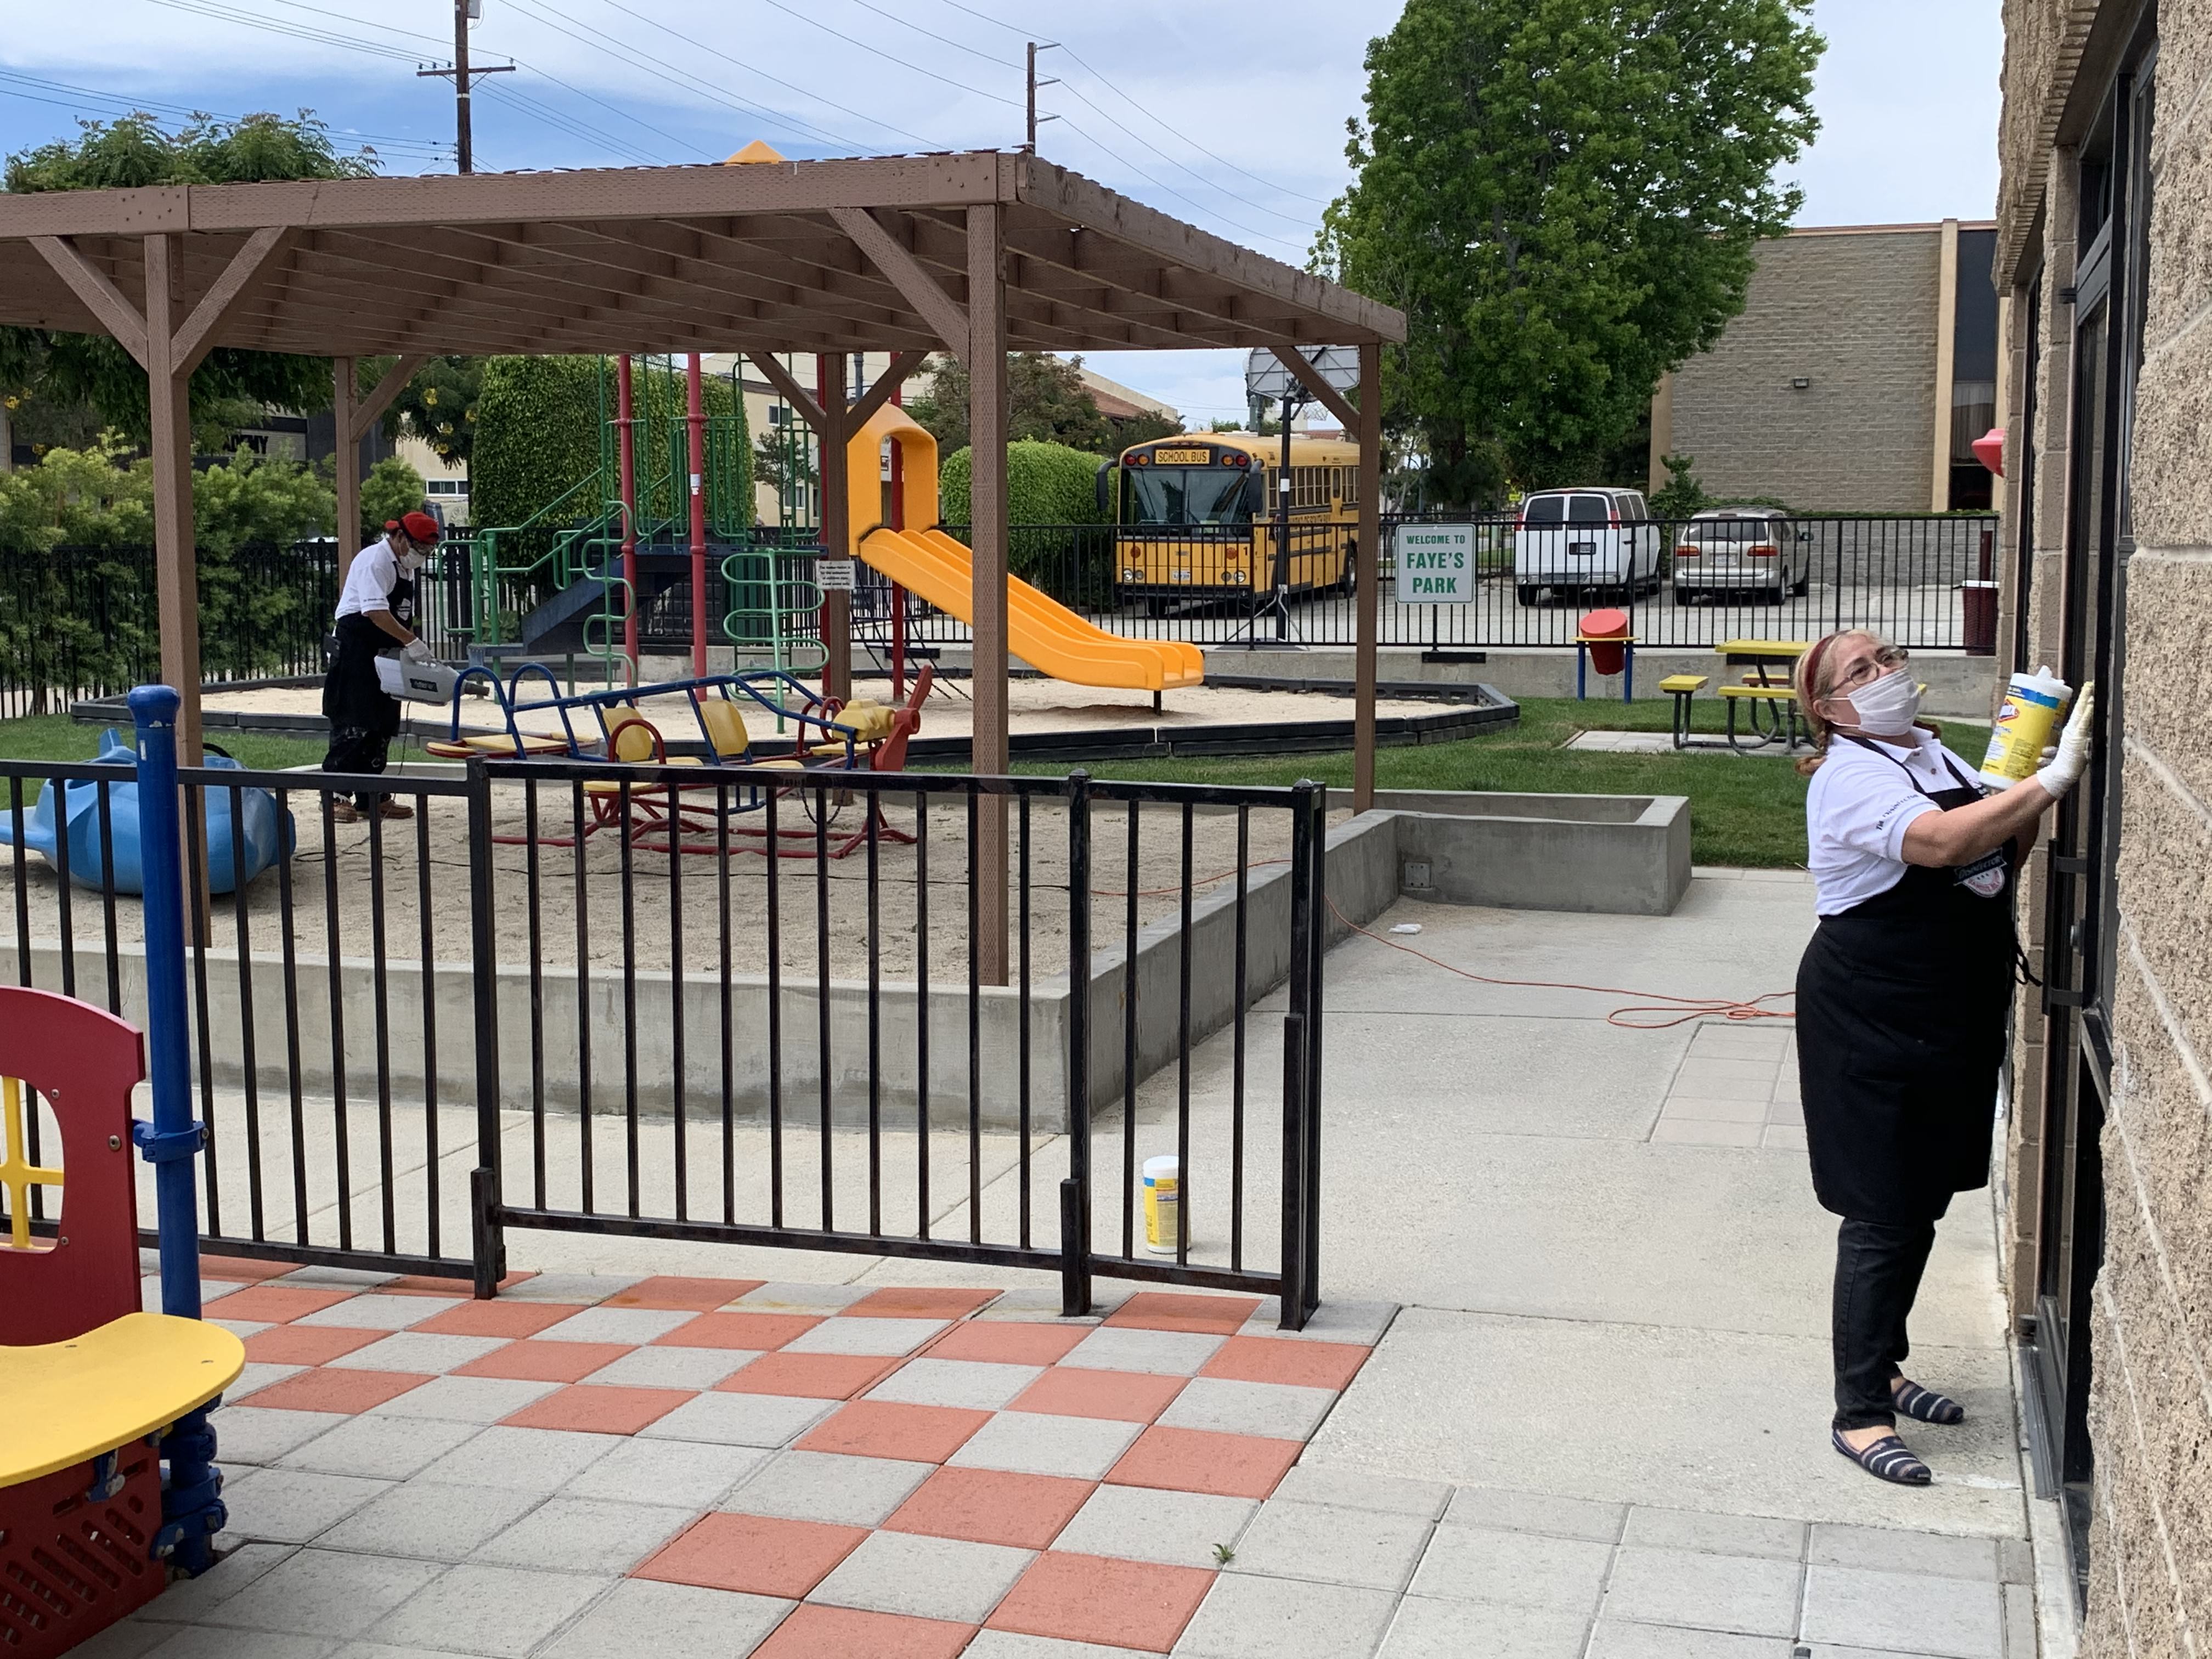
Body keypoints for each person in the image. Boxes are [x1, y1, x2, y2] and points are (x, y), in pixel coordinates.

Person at [1792, 629, 2094, 1486]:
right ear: (1827, 710)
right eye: (1862, 671)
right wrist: (2051, 781)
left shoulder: (1930, 753)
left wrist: (2022, 781)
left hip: (1945, 1012)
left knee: (1920, 1201)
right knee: (1882, 1211)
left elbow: (1994, 852)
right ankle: (1859, 1413)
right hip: (1870, 1016)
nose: (1887, 674)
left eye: (1888, 658)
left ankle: (1885, 1363)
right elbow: (1939, 846)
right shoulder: (1850, 777)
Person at [323, 510, 438, 823]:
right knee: (354, 720)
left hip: (384, 649)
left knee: (382, 721)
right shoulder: (375, 561)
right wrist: (411, 641)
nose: (421, 556)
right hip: (355, 647)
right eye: (419, 549)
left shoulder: (405, 567)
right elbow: (375, 611)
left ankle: (372, 794)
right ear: (400, 537)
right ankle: (334, 794)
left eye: (427, 552)